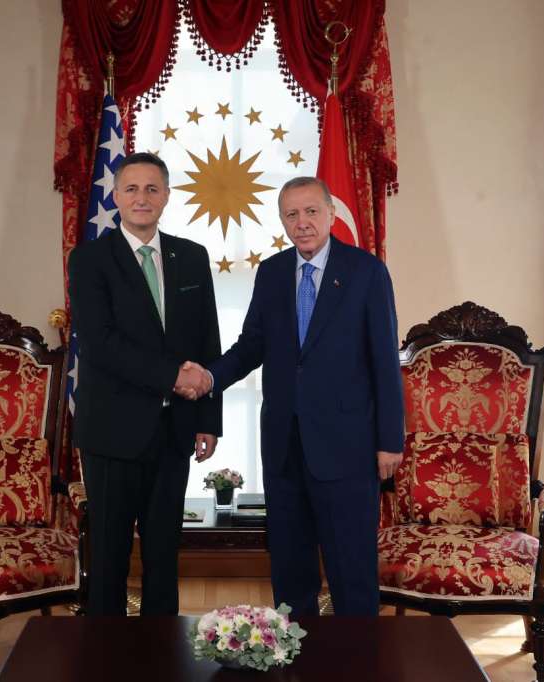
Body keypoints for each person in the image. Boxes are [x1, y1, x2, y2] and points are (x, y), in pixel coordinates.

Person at [181, 177, 404, 617]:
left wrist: (390, 440)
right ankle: (296, 650)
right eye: (291, 214)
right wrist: (209, 377)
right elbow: (251, 346)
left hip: (348, 447)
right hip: (284, 445)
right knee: (290, 569)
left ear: (331, 214)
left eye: (311, 212)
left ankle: (359, 653)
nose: (302, 223)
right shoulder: (272, 273)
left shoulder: (366, 272)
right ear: (282, 221)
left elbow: (384, 360)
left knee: (351, 570)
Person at [67, 152, 221, 616]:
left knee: (163, 554)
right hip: (112, 433)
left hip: (174, 431)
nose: (142, 198)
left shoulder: (191, 257)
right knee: (110, 556)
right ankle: (106, 650)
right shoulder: (90, 259)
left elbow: (207, 340)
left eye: (152, 189)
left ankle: (163, 649)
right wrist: (173, 376)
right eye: (131, 189)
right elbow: (100, 343)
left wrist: (208, 419)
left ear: (167, 196)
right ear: (115, 197)